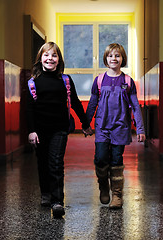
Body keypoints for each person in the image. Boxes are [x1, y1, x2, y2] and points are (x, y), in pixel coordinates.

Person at [26, 42, 93, 217]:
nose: (50, 58)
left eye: (54, 55)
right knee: (42, 163)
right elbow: (29, 109)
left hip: (60, 129)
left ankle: (57, 202)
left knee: (56, 163)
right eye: (46, 55)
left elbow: (76, 103)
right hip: (40, 131)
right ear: (40, 59)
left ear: (59, 60)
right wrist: (32, 131)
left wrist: (85, 124)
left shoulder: (65, 80)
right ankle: (46, 194)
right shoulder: (33, 83)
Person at [86, 43, 146, 209]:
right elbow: (92, 104)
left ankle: (117, 195)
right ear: (106, 59)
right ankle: (103, 185)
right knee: (100, 158)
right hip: (102, 127)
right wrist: (86, 124)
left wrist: (140, 129)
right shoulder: (99, 80)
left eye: (117, 55)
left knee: (116, 160)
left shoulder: (127, 81)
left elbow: (135, 106)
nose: (114, 58)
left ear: (122, 59)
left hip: (121, 128)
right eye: (111, 55)